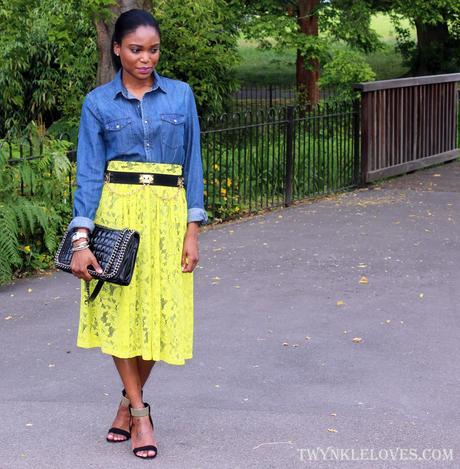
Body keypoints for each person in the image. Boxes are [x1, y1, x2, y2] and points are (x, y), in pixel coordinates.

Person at [69, 9, 207, 460]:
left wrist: (193, 230)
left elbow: (193, 166)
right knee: (124, 312)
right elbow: (89, 174)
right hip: (118, 215)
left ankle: (126, 402)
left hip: (168, 217)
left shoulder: (181, 96)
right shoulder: (98, 103)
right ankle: (142, 413)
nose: (145, 58)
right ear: (116, 49)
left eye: (152, 49)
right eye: (135, 49)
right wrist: (81, 239)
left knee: (161, 315)